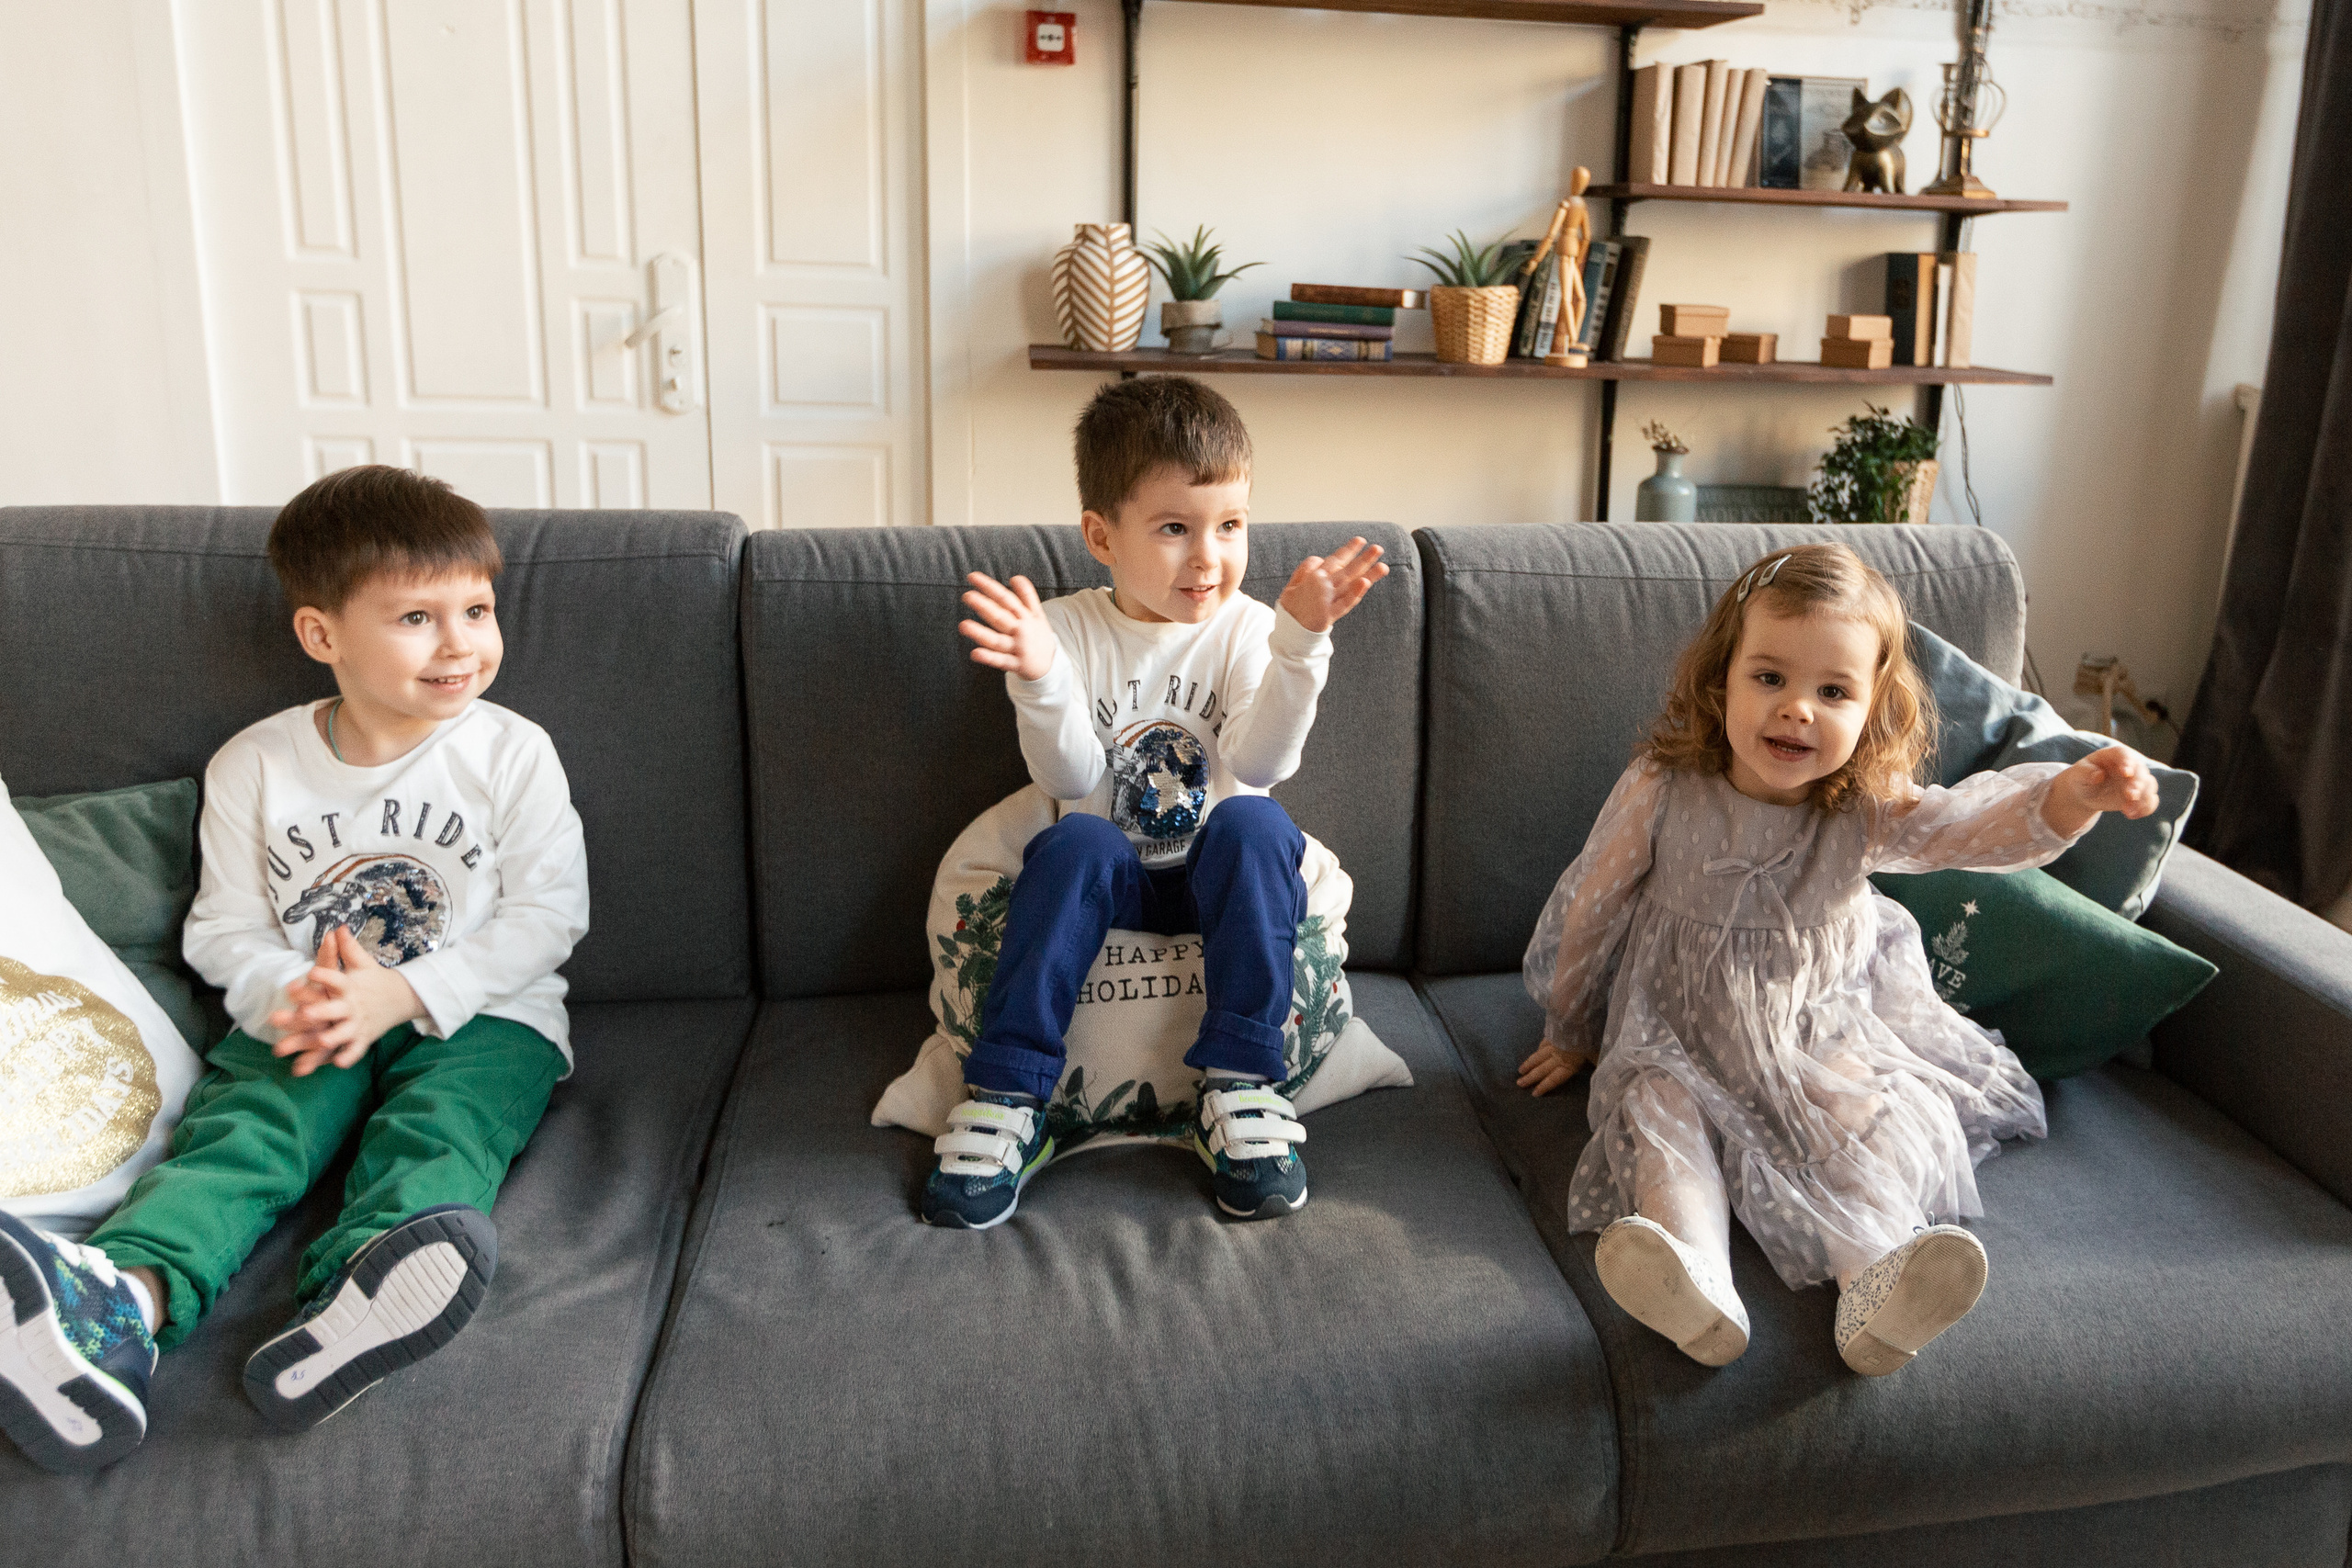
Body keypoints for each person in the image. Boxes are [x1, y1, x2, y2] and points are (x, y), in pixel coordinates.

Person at [0, 466, 588, 1472]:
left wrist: (400, 994)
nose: (461, 645)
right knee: (244, 1137)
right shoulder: (256, 765)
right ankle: (117, 1314)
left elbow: (548, 916)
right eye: (416, 616)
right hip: (309, 1015)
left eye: (477, 610)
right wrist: (302, 997)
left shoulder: (511, 753)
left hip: (482, 1016)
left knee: (442, 1129)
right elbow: (222, 931)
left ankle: (366, 1290)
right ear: (323, 636)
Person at [1517, 544, 2157, 1375]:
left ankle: (1876, 1287)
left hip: (1810, 1035)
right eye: (1770, 678)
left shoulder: (1864, 806)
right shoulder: (1665, 783)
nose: (1797, 711)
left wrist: (2069, 795)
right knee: (1658, 1113)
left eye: (1833, 691)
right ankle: (1696, 1275)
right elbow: (1596, 906)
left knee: (1859, 1122)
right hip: (1676, 1028)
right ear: (1723, 684)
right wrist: (1571, 1022)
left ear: (1872, 712)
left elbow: (1965, 824)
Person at [922, 377, 1386, 1228]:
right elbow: (1065, 778)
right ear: (1103, 534)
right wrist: (1039, 676)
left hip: (1218, 879)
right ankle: (1009, 1099)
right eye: (1174, 528)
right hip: (1113, 883)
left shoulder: (1250, 626)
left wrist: (1301, 645)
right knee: (1073, 843)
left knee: (1256, 820)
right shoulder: (1065, 628)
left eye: (1230, 526)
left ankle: (1240, 1089)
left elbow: (1261, 759)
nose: (1207, 558)